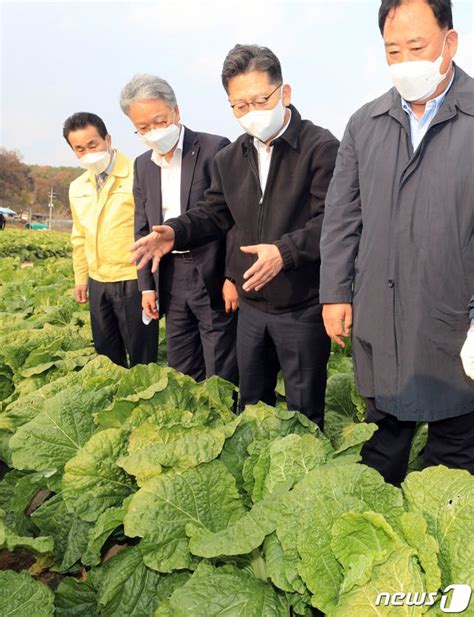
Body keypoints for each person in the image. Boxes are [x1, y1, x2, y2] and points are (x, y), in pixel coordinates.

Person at [130, 46, 339, 429]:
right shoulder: (230, 158)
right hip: (252, 308)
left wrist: (284, 251)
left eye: (260, 100)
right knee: (251, 407)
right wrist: (175, 230)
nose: (252, 113)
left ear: (284, 93)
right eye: (240, 106)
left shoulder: (320, 148)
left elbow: (334, 221)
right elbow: (214, 213)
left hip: (302, 306)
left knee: (304, 412)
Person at [320, 0, 474, 485]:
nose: (405, 61)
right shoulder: (365, 124)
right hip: (379, 311)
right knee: (382, 438)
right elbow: (342, 216)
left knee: (455, 450)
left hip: (453, 315)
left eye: (417, 47)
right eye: (393, 50)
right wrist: (334, 293)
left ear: (449, 42)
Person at [119, 74, 238, 384]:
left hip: (210, 269)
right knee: (181, 362)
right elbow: (142, 229)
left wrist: (231, 276)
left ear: (176, 111)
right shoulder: (142, 165)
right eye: (143, 128)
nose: (153, 132)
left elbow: (231, 218)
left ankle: (224, 421)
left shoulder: (215, 149)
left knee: (220, 364)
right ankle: (190, 424)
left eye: (159, 122)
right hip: (169, 274)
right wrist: (146, 285)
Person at [64, 112, 158, 368]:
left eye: (93, 144)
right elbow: (79, 236)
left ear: (108, 139)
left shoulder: (137, 173)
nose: (88, 152)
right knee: (106, 355)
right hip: (98, 281)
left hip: (132, 277)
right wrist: (81, 277)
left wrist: (150, 283)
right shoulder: (78, 186)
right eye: (79, 148)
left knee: (141, 356)